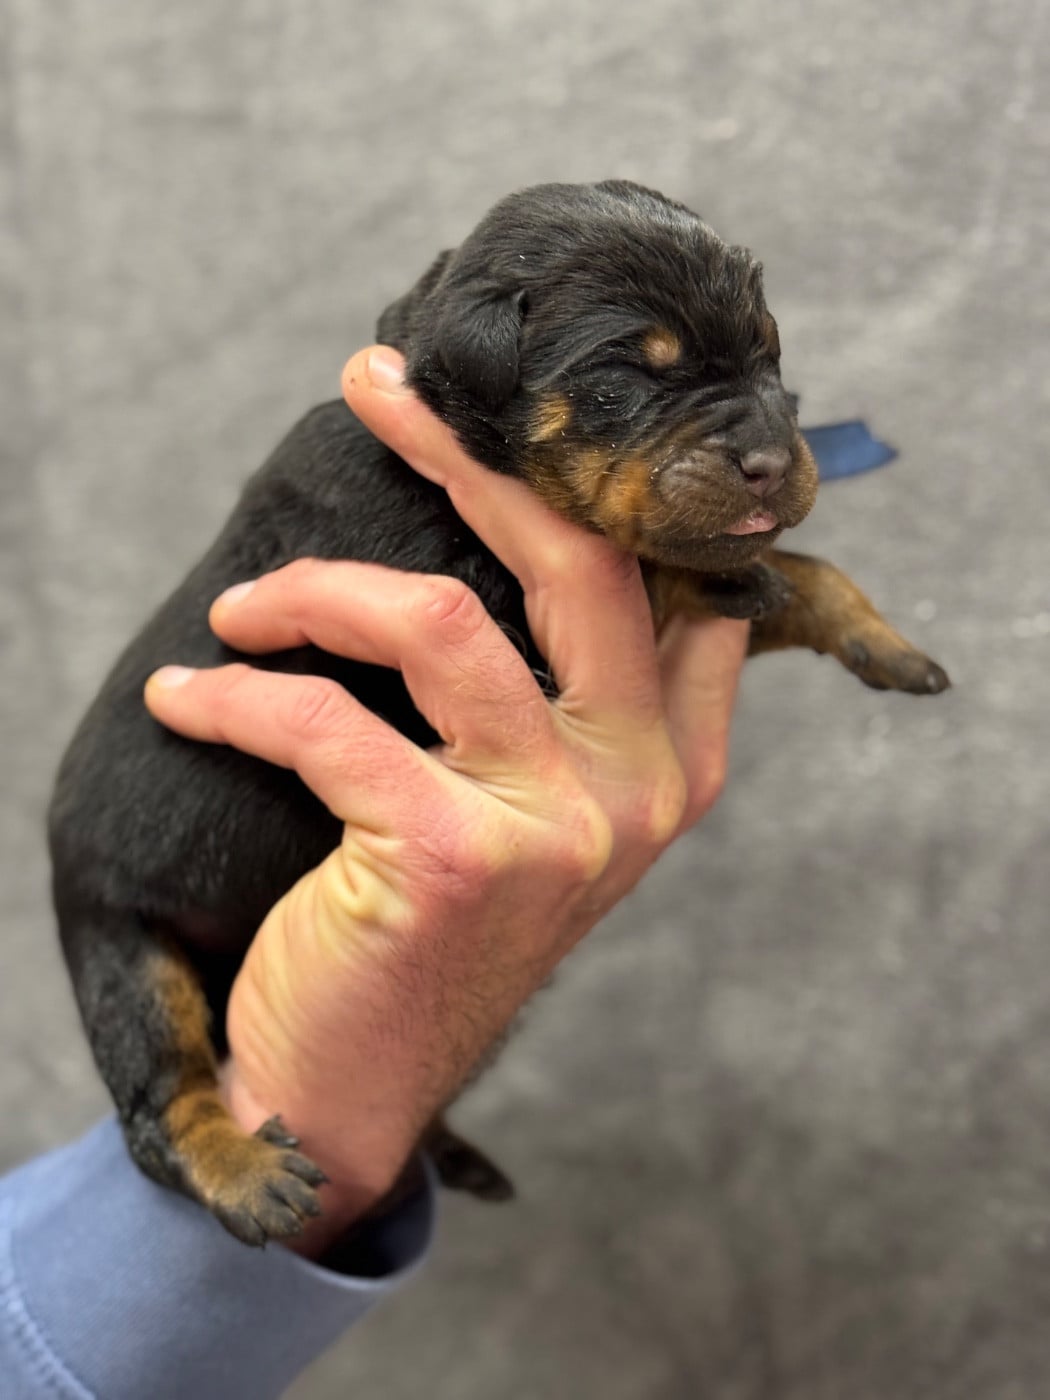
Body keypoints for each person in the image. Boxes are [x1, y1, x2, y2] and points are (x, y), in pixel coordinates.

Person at [0, 346, 748, 1399]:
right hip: (140, 877)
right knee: (153, 1016)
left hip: (294, 868)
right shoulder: (363, 471)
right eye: (631, 384)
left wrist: (330, 1103)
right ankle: (191, 1129)